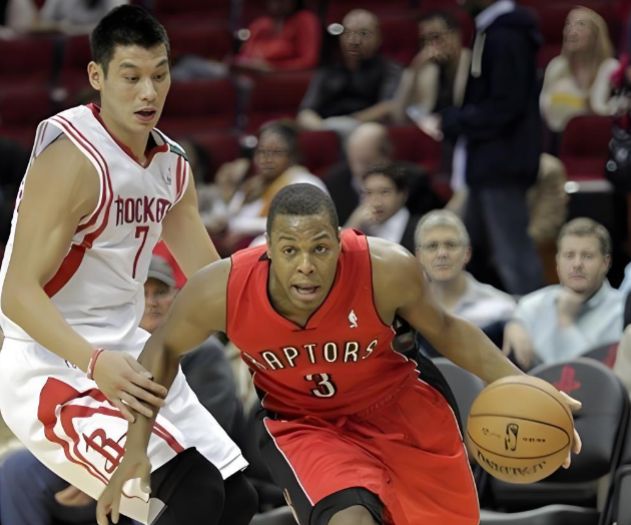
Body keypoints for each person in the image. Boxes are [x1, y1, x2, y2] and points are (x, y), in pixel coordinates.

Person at [97, 184, 581, 525]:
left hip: (403, 413)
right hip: (305, 425)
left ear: (340, 242)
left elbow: (449, 330)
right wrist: (135, 448)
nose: (306, 265)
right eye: (289, 250)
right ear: (268, 249)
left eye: (320, 248)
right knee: (348, 520)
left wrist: (525, 384)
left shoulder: (385, 268)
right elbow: (161, 350)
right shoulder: (221, 289)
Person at [0, 5, 256, 525]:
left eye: (160, 75)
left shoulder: (171, 165)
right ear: (97, 76)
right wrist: (95, 362)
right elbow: (16, 292)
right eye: (131, 77)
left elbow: (214, 281)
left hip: (131, 353)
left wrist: (280, 342)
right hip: (53, 362)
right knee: (190, 496)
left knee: (236, 499)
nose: (148, 93)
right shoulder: (72, 159)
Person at [439, 0, 545, 295]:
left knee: (513, 256)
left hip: (501, 163)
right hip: (487, 162)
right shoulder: (491, 30)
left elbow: (505, 105)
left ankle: (533, 319)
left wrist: (457, 120)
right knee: (466, 250)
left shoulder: (506, 35)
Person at [503, 217, 624, 370]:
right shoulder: (531, 305)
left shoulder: (621, 312)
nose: (577, 264)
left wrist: (566, 322)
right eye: (569, 255)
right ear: (558, 261)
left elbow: (591, 376)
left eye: (587, 256)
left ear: (605, 263)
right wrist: (514, 323)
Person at [415, 209, 515, 348]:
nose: (442, 253)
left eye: (450, 245)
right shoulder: (408, 309)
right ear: (419, 256)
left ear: (467, 253)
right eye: (432, 246)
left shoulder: (501, 307)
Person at [296, 8, 402, 136]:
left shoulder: (389, 69)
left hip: (366, 131)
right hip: (326, 129)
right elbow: (306, 111)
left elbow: (389, 106)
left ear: (378, 38)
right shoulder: (328, 69)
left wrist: (349, 123)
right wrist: (323, 130)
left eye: (363, 34)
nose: (354, 41)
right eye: (347, 33)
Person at [540, 6, 618, 143]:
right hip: (559, 141)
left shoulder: (611, 68)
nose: (571, 31)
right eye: (568, 24)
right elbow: (545, 111)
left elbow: (611, 112)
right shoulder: (556, 67)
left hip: (600, 142)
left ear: (595, 34)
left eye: (580, 24)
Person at [344, 163, 422, 252]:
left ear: (403, 195)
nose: (376, 203)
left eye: (384, 192)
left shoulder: (420, 229)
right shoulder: (360, 227)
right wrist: (354, 223)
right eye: (368, 193)